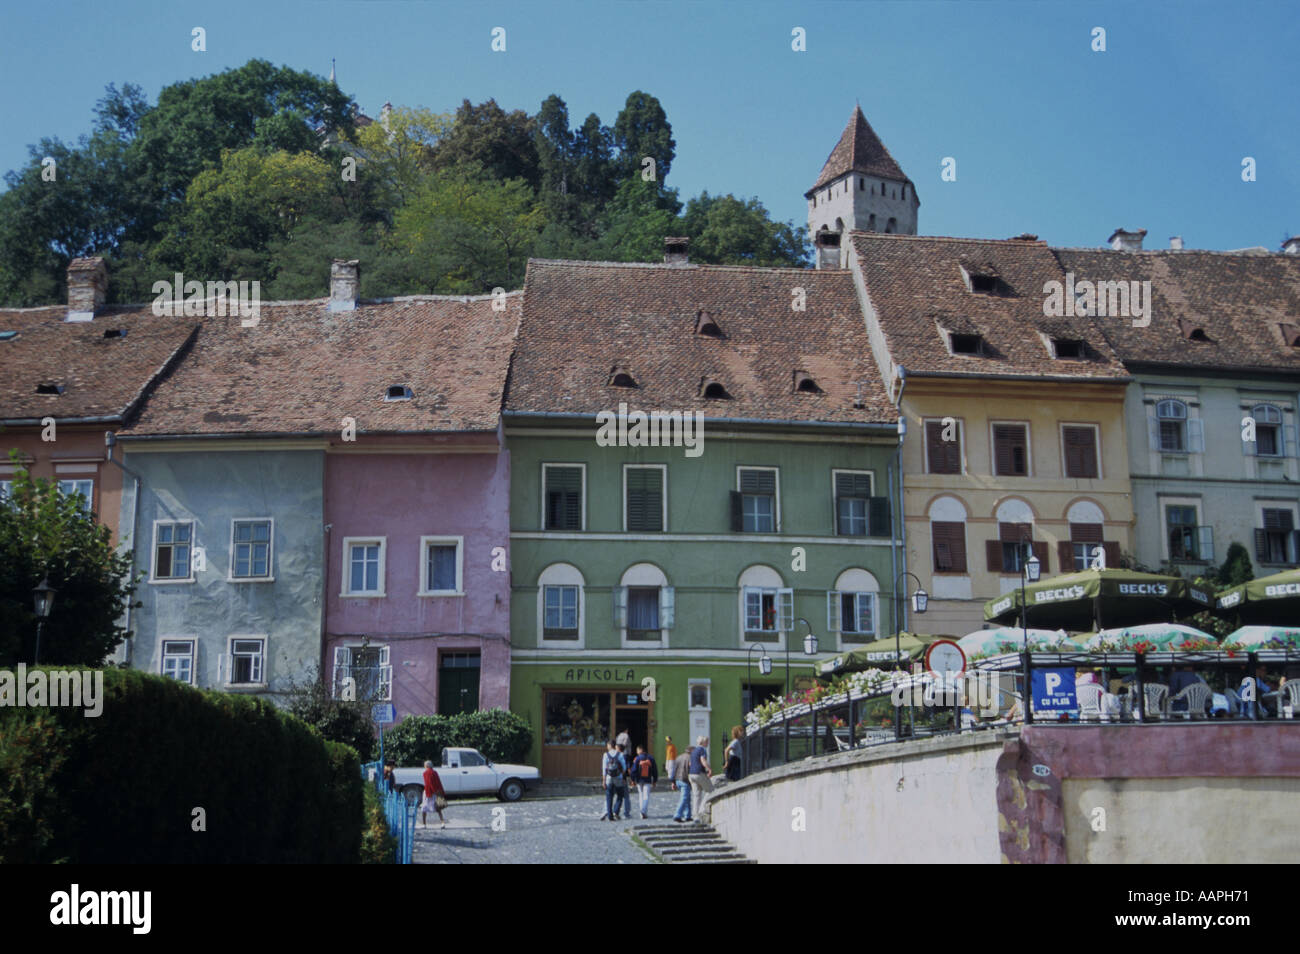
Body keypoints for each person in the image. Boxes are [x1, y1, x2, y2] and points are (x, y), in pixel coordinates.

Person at [687, 735, 712, 821]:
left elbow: (690, 763)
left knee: (696, 795)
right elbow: (703, 760)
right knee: (710, 791)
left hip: (691, 774)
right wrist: (709, 769)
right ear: (703, 742)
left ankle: (695, 815)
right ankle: (702, 810)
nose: (708, 743)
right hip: (699, 773)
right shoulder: (702, 749)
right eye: (707, 741)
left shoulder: (693, 751)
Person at [600, 740, 627, 820]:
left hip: (609, 778)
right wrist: (621, 775)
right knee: (620, 795)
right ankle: (616, 811)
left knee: (609, 796)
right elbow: (624, 767)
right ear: (614, 746)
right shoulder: (620, 754)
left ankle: (610, 815)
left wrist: (603, 781)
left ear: (609, 745)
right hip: (618, 777)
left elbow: (604, 769)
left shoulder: (606, 755)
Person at [630, 744, 658, 818]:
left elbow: (633, 770)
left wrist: (633, 780)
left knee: (641, 795)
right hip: (648, 780)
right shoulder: (651, 758)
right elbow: (655, 770)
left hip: (639, 780)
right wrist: (655, 780)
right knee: (646, 796)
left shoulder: (637, 758)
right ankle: (644, 811)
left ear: (639, 750)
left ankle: (641, 812)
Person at [670, 742, 693, 823]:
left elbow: (674, 770)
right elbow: (691, 770)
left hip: (678, 780)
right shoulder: (690, 758)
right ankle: (677, 815)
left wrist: (673, 781)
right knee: (684, 798)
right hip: (685, 780)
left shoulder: (679, 757)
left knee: (687, 798)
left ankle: (688, 815)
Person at [421, 759, 446, 829]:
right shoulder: (435, 772)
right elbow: (438, 782)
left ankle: (424, 824)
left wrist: (432, 791)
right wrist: (439, 791)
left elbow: (428, 783)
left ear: (426, 766)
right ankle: (442, 822)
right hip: (436, 792)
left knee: (424, 808)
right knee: (438, 808)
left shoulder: (425, 773)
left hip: (428, 792)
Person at [613, 742, 631, 819]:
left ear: (618, 749)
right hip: (621, 778)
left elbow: (624, 768)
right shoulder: (625, 757)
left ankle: (611, 811)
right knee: (626, 796)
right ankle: (626, 812)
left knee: (612, 795)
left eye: (616, 748)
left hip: (616, 778)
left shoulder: (617, 757)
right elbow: (627, 768)